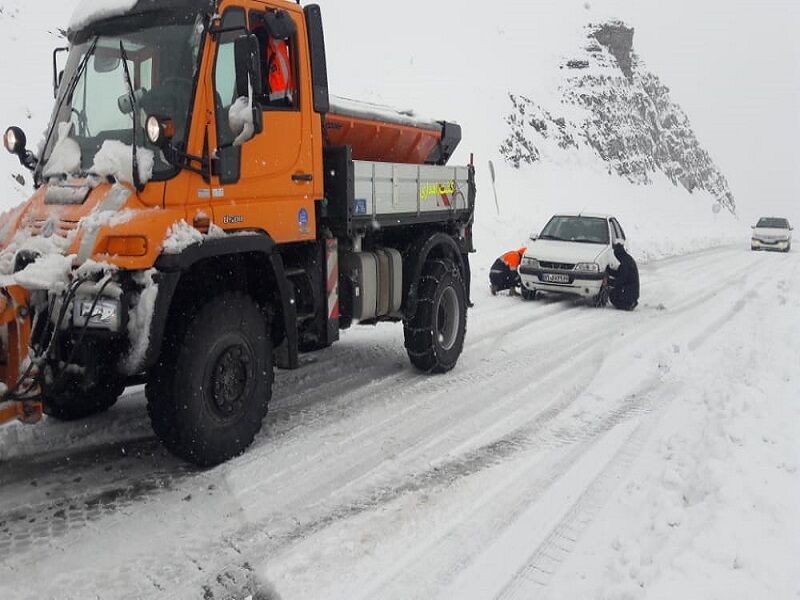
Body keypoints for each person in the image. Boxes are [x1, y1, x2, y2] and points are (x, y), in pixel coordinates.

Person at [607, 243, 640, 310]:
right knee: (615, 290)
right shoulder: (626, 259)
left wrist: (609, 282)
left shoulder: (625, 263)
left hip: (629, 292)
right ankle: (630, 302)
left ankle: (627, 304)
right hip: (632, 292)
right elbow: (619, 274)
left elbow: (621, 279)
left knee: (613, 294)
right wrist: (609, 271)